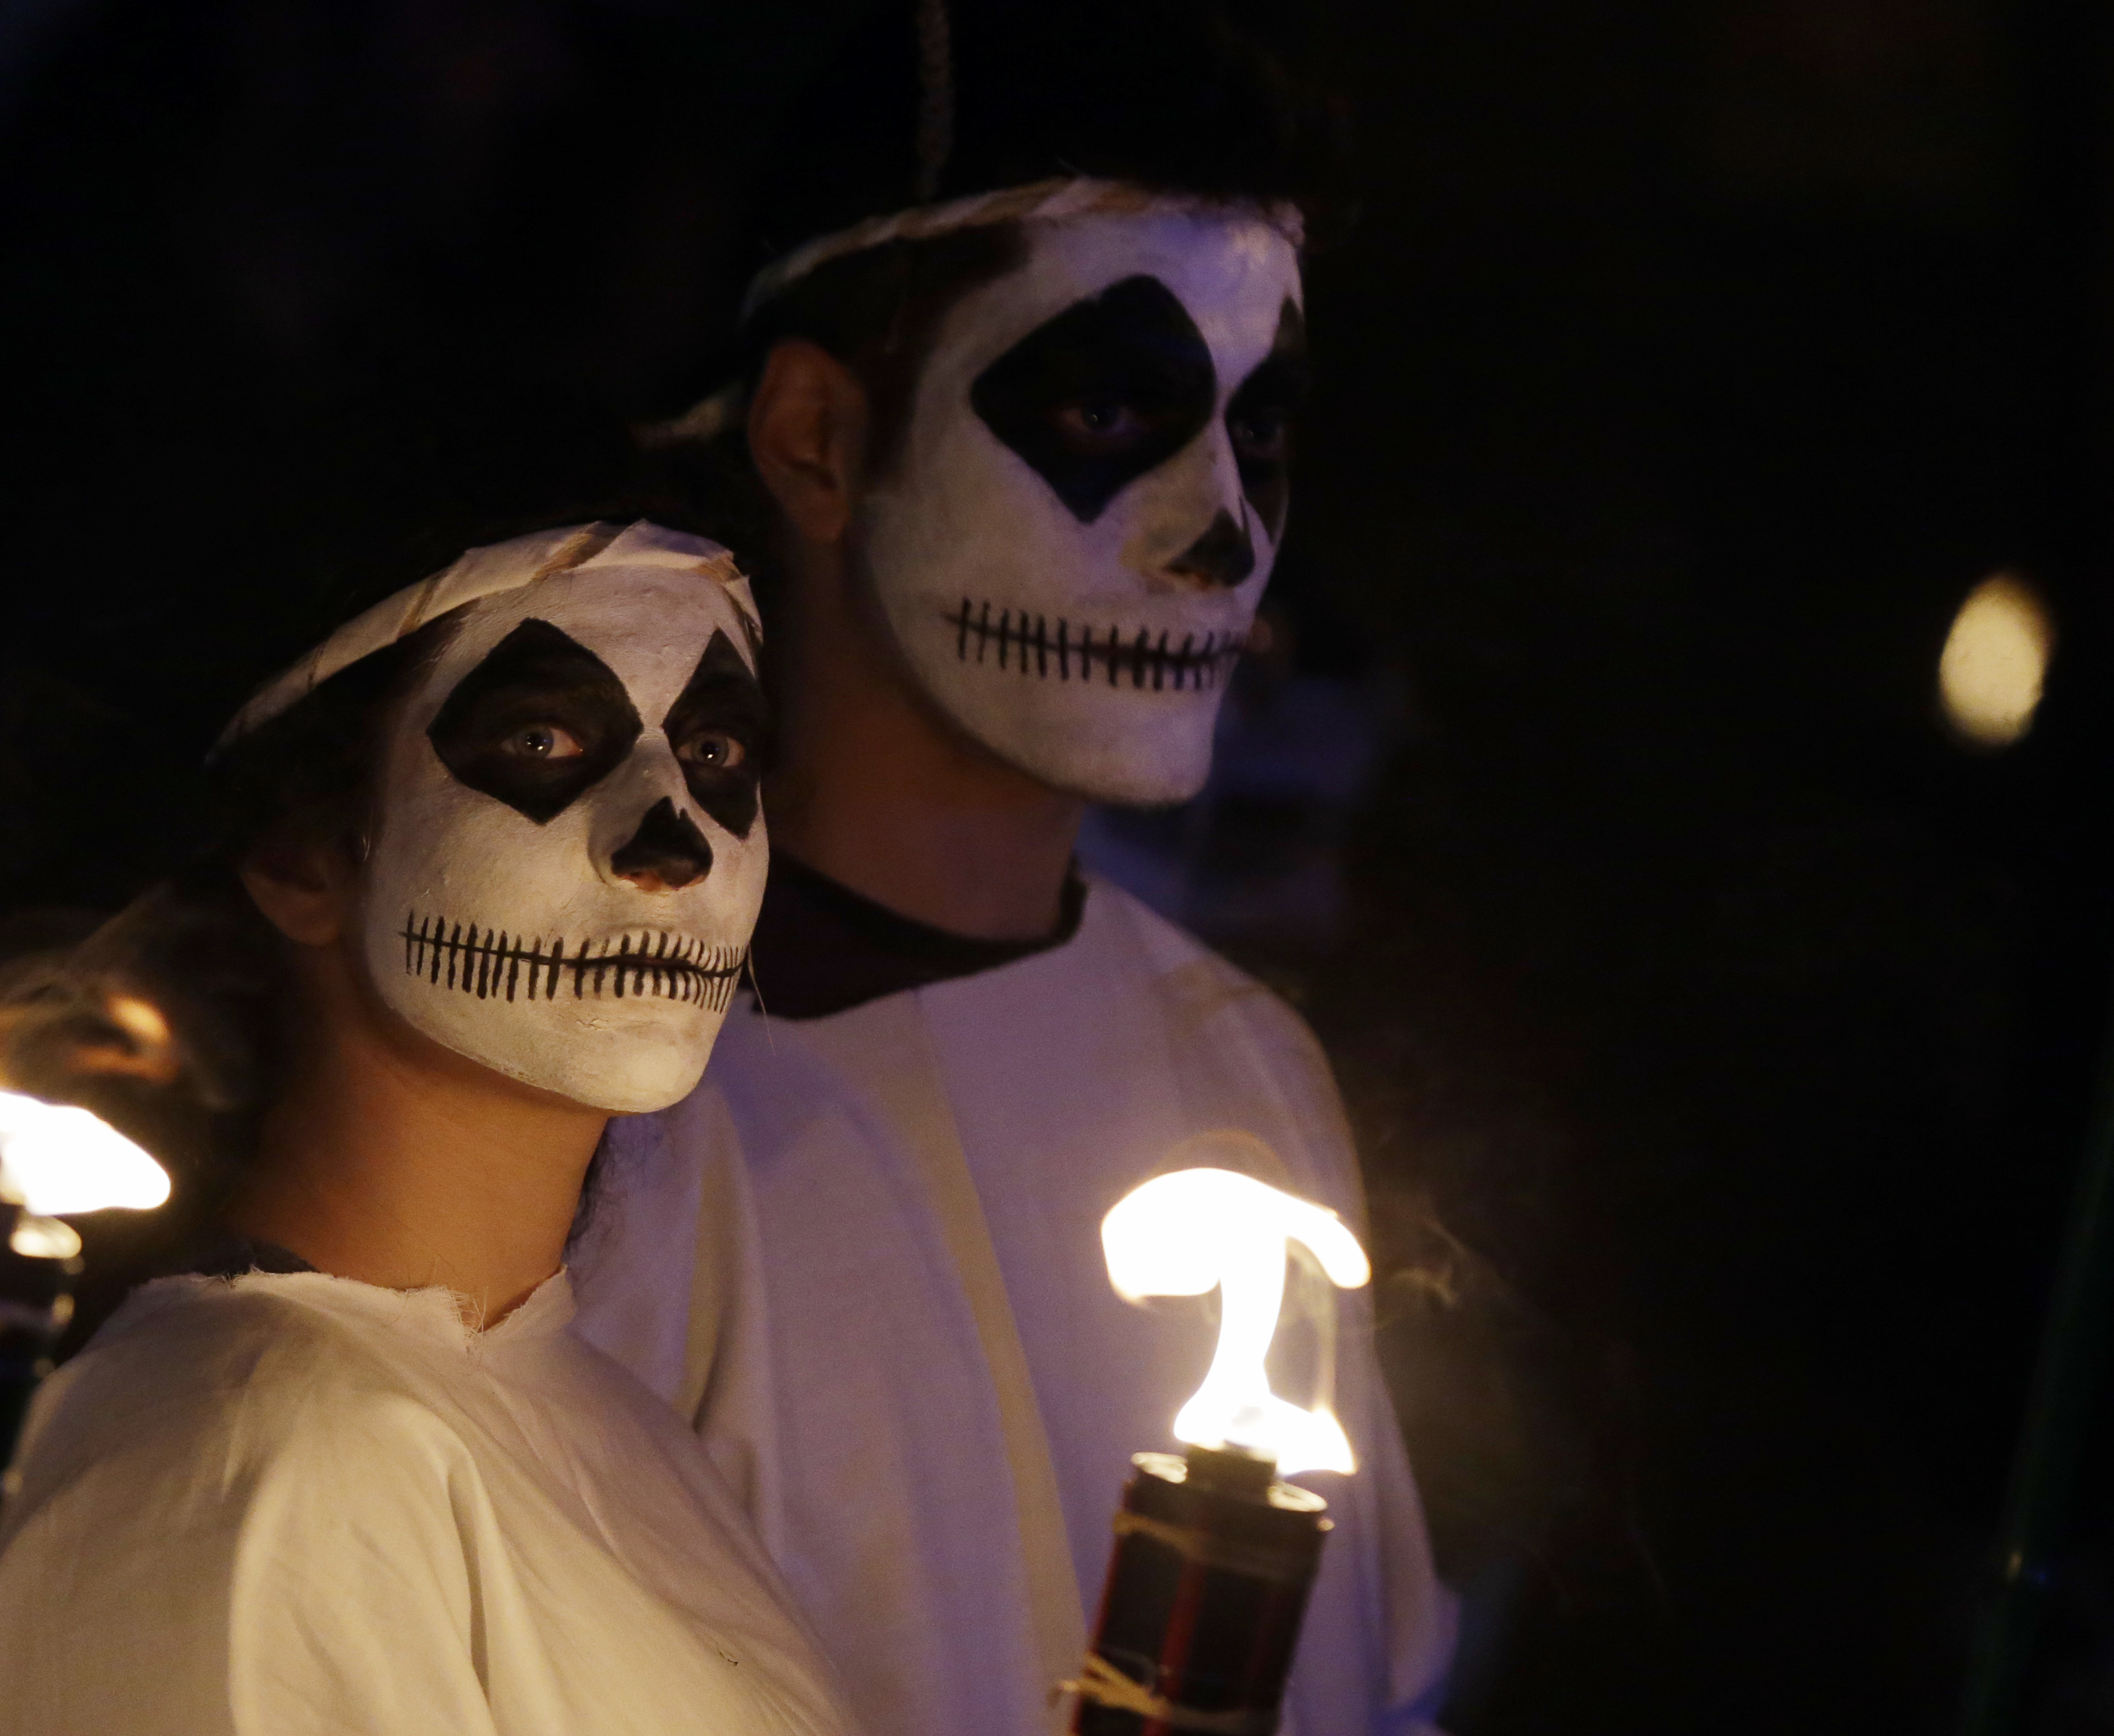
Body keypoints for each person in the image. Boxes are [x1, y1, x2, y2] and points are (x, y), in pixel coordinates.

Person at [569, 8, 1458, 1735]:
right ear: (817, 439)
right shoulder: (616, 1090)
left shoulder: (1245, 1067)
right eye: (1113, 403)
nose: (1227, 530)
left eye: (1255, 430)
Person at [0, 521, 858, 1736]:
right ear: (305, 855)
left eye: (718, 750)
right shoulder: (260, 1465)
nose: (672, 843)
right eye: (542, 738)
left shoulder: (614, 1424)